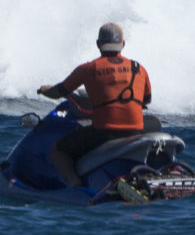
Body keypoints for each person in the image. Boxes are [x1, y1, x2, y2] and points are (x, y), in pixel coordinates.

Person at [37, 22, 153, 188]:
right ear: (123, 44)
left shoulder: (88, 68)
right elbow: (146, 100)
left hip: (105, 133)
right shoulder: (138, 68)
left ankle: (73, 183)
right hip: (135, 131)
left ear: (98, 44)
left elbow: (58, 92)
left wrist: (44, 90)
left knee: (57, 150)